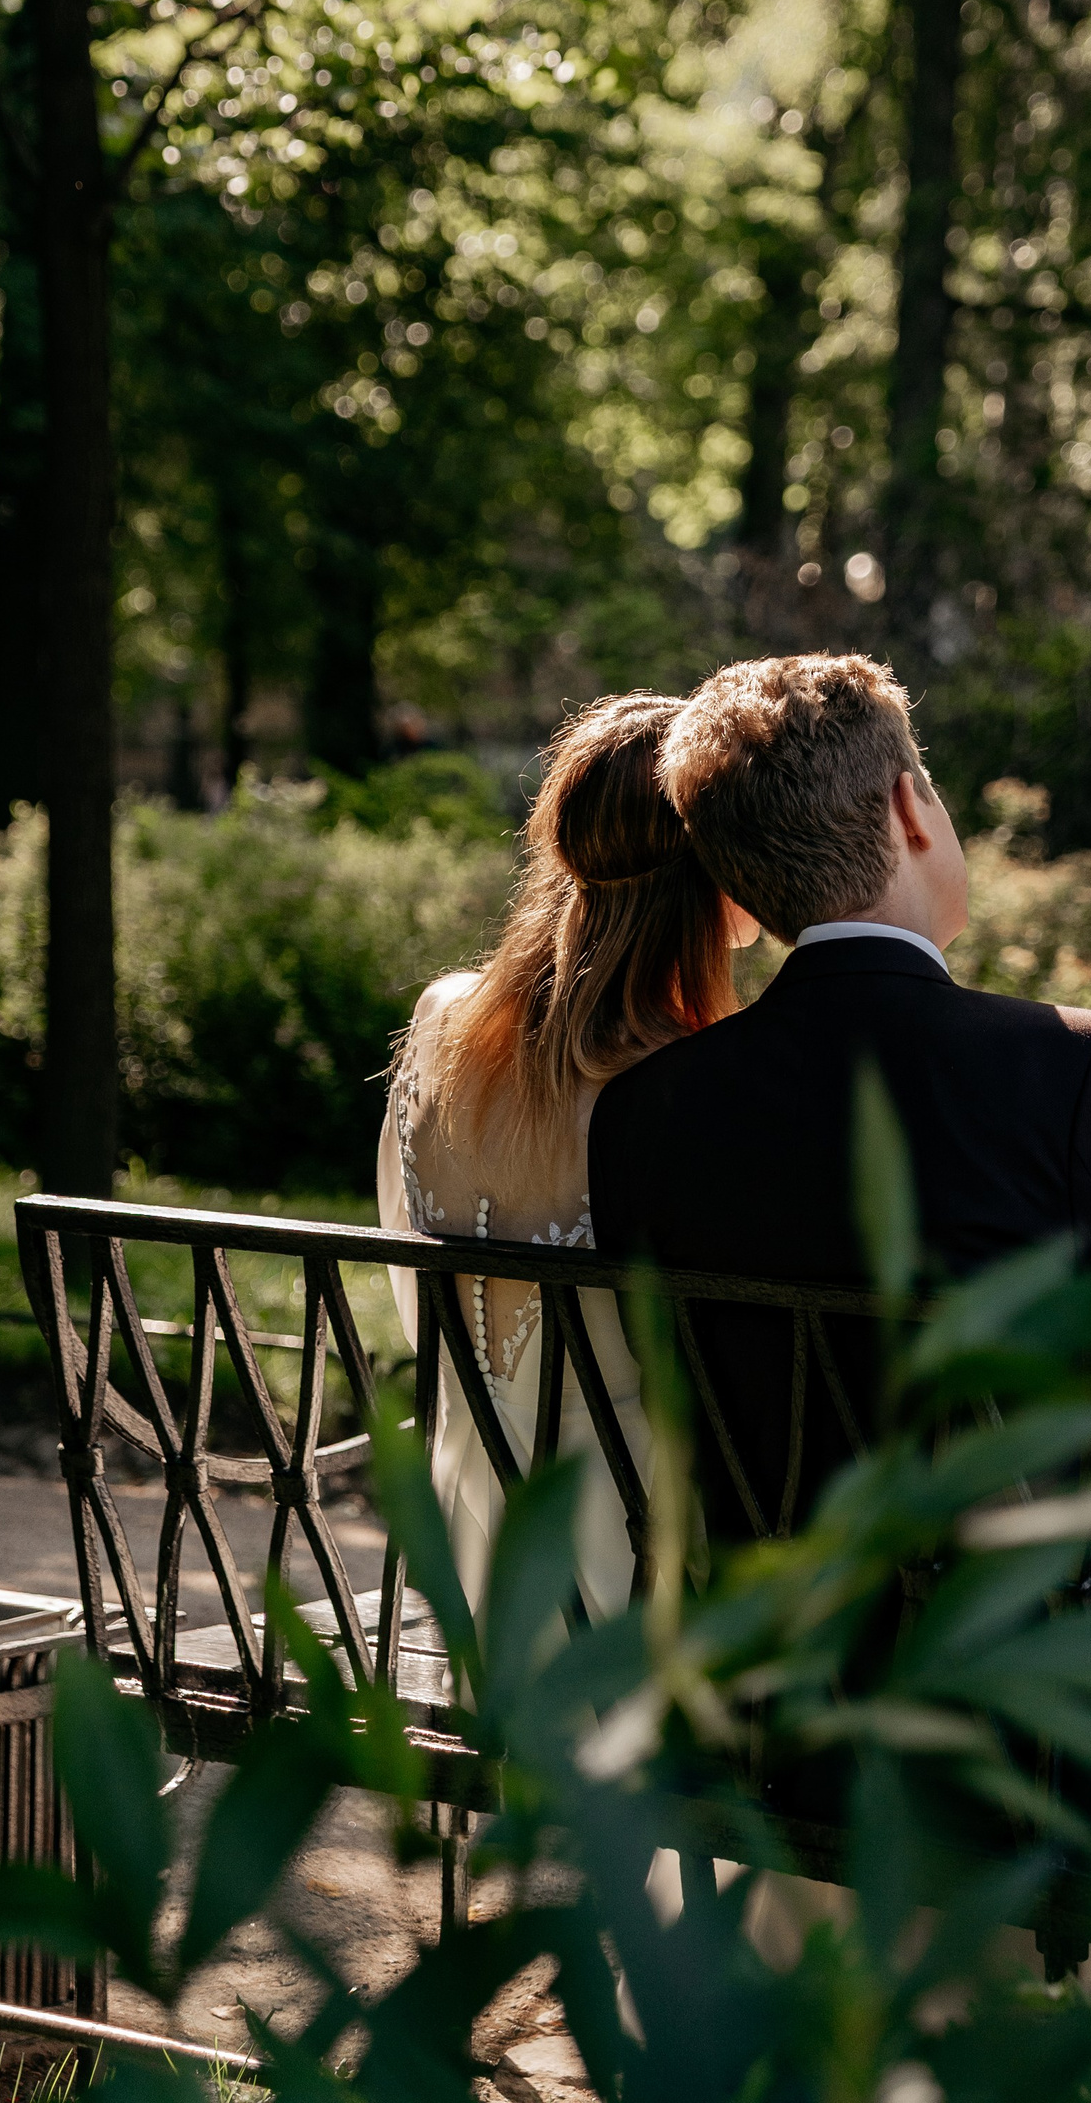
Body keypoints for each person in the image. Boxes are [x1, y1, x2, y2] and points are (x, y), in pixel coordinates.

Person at [589, 650, 1091, 1754]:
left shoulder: (647, 1111)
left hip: (794, 1700)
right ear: (912, 809)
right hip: (1072, 1704)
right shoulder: (1073, 1067)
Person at [376, 690, 757, 1618]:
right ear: (715, 859)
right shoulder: (692, 1079)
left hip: (478, 1568)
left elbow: (411, 1303)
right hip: (639, 1585)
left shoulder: (441, 1022)